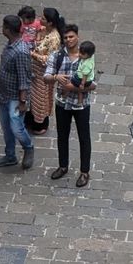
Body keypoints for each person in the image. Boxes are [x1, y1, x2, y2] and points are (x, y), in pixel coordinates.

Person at [45, 25, 95, 188]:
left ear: (77, 37)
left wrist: (72, 88)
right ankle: (63, 165)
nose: (68, 40)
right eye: (65, 38)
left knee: (84, 137)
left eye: (71, 37)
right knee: (62, 135)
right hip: (62, 103)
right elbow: (46, 77)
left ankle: (84, 171)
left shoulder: (86, 56)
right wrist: (56, 76)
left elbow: (93, 84)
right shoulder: (57, 56)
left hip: (81, 105)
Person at [0, 15, 34, 170]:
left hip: (15, 98)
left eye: (3, 26)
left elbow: (24, 78)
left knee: (16, 127)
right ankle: (10, 156)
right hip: (3, 94)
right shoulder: (10, 44)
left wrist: (23, 102)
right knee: (6, 127)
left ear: (8, 29)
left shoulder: (21, 51)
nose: (1, 29)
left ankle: (28, 147)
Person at [27, 7, 65, 134]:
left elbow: (49, 59)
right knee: (35, 97)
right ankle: (33, 119)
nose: (40, 19)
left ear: (50, 22)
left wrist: (33, 55)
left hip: (44, 73)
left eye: (43, 18)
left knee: (41, 98)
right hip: (36, 71)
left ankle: (40, 124)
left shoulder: (54, 38)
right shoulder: (45, 30)